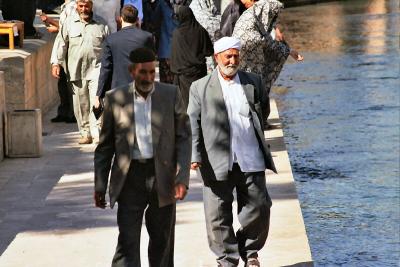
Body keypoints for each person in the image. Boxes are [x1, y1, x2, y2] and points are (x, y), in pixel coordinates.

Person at [94, 47, 191, 266]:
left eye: (151, 72)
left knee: (162, 240)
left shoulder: (170, 94)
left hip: (162, 177)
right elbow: (104, 148)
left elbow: (183, 137)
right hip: (130, 178)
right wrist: (100, 184)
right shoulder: (115, 99)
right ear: (132, 71)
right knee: (127, 241)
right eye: (143, 73)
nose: (148, 78)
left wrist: (182, 177)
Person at [187, 37, 277, 267]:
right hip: (215, 159)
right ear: (217, 58)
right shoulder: (200, 87)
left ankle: (250, 251)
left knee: (259, 207)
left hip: (250, 156)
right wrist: (194, 156)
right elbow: (192, 124)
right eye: (228, 55)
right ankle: (227, 259)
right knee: (217, 215)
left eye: (236, 55)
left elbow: (262, 110)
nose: (233, 60)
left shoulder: (253, 82)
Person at [232, 0, 303, 125]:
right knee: (254, 94)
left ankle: (257, 123)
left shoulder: (252, 19)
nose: (272, 18)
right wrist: (289, 51)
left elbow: (267, 40)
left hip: (248, 72)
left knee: (253, 93)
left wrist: (288, 50)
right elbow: (266, 43)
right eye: (271, 15)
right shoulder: (251, 30)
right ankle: (257, 124)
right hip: (249, 73)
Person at [54, 0, 109, 144]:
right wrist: (56, 63)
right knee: (81, 104)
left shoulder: (102, 24)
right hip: (75, 70)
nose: (84, 9)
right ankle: (85, 133)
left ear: (92, 6)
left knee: (96, 101)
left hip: (96, 69)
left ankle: (97, 132)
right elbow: (61, 43)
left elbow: (109, 47)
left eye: (87, 6)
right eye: (81, 6)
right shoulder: (69, 23)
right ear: (77, 6)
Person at [96, 4, 154, 106]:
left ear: (120, 18)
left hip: (118, 90)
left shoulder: (111, 40)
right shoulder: (147, 37)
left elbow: (106, 69)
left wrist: (99, 94)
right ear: (137, 19)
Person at [170, 5, 213, 109]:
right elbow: (209, 51)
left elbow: (175, 57)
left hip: (183, 76)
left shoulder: (177, 33)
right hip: (199, 74)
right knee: (200, 104)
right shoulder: (201, 30)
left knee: (187, 106)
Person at [42, 0, 77, 123]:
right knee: (62, 82)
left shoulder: (73, 7)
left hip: (70, 48)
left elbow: (70, 28)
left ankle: (72, 114)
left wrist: (52, 23)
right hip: (63, 47)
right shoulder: (66, 7)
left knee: (70, 83)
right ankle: (64, 112)